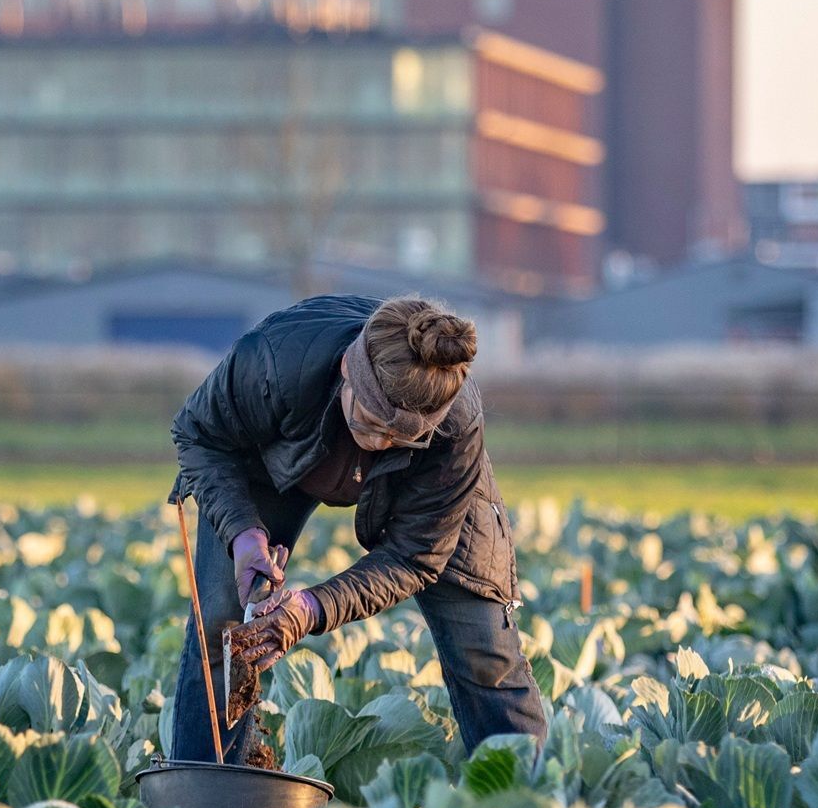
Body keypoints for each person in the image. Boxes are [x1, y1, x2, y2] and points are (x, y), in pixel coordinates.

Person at [167, 292, 545, 764]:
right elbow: (198, 433)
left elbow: (416, 555)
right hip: (278, 456)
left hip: (419, 482)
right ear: (348, 368)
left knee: (484, 649)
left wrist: (311, 606)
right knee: (223, 621)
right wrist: (243, 533)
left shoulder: (453, 425)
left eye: (397, 436)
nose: (378, 442)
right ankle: (205, 788)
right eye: (369, 422)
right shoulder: (274, 360)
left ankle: (528, 799)